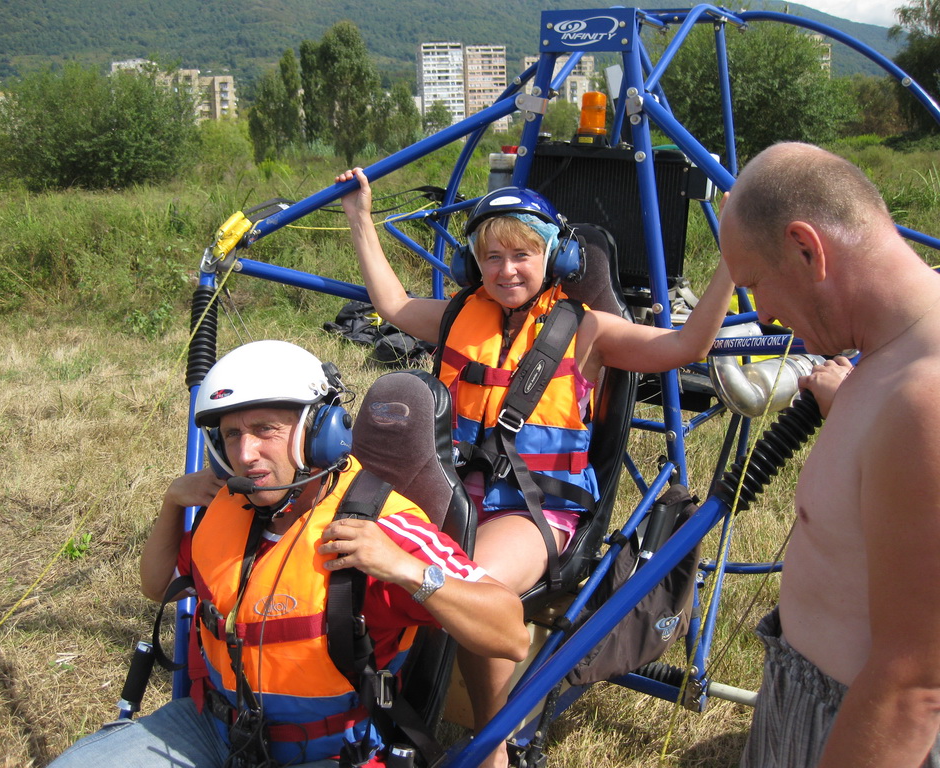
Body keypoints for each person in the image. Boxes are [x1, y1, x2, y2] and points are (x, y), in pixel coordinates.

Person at [337, 167, 736, 768]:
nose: (506, 270)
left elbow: (686, 347)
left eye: (522, 254)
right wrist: (360, 219)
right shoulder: (456, 315)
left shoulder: (589, 329)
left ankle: (492, 748)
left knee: (471, 584)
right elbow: (391, 304)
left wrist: (731, 259)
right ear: (473, 264)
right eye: (491, 257)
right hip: (448, 497)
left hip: (537, 510)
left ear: (556, 257)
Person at [50, 339, 528, 768]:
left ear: (318, 433)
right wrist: (172, 502)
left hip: (327, 752)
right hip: (209, 727)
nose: (246, 454)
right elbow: (157, 587)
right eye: (231, 435)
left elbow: (510, 635)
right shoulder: (230, 509)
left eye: (265, 430)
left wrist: (406, 569)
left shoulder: (383, 528)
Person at [718, 142, 940, 768]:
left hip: (859, 726)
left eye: (755, 285)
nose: (763, 314)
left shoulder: (924, 399)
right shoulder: (891, 362)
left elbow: (913, 687)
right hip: (812, 703)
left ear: (806, 249)